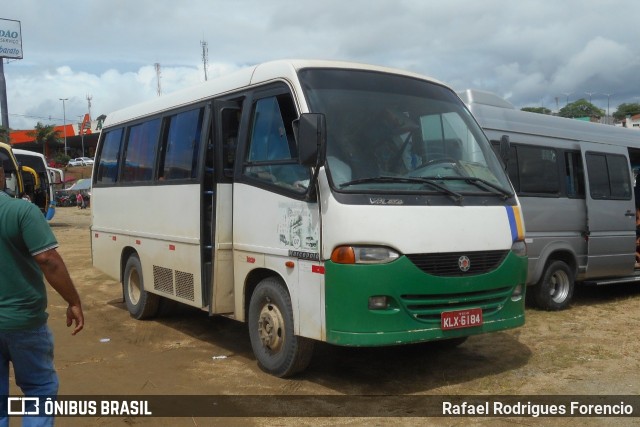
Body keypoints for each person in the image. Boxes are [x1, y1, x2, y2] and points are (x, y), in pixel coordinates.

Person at [0, 165, 84, 425]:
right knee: (39, 390)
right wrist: (74, 301)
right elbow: (48, 259)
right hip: (24, 321)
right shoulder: (21, 211)